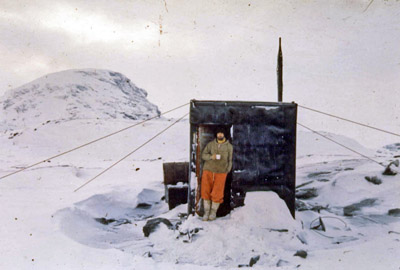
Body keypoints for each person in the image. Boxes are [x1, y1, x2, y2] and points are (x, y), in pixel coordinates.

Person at [201, 128, 233, 221]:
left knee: (217, 193)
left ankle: (213, 212)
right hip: (208, 170)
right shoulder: (210, 145)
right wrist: (211, 157)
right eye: (218, 133)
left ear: (224, 135)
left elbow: (230, 160)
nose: (220, 135)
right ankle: (206, 212)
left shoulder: (229, 147)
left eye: (221, 133)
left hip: (221, 172)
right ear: (216, 134)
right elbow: (203, 155)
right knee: (205, 190)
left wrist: (227, 170)